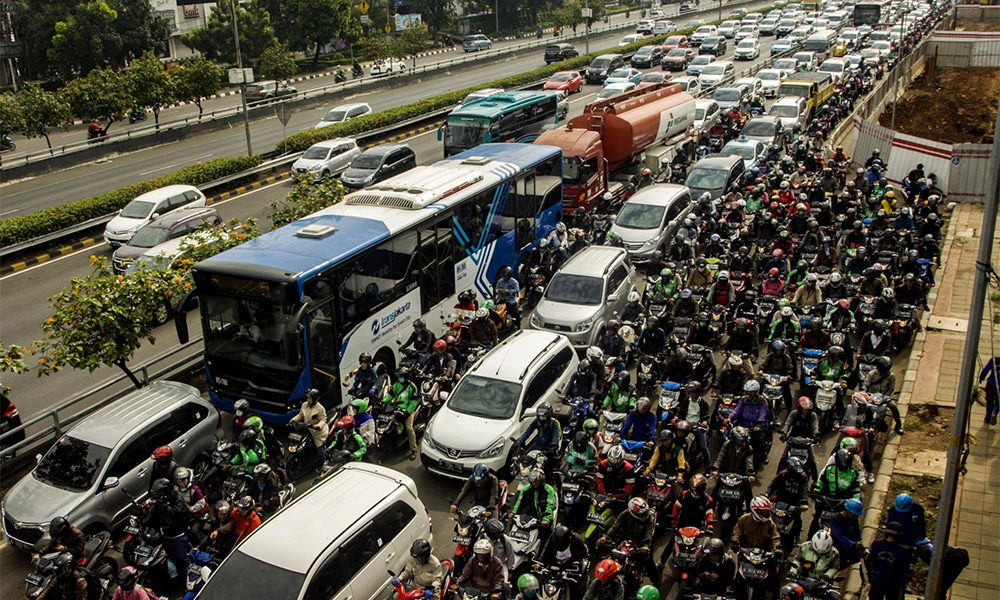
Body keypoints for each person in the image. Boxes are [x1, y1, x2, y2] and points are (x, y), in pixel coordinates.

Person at [731, 497, 782, 598]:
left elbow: (775, 538)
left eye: (767, 511)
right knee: (739, 574)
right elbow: (736, 533)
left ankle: (776, 593)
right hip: (746, 553)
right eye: (764, 511)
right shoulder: (743, 520)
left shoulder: (769, 523)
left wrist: (777, 549)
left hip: (764, 555)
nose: (766, 513)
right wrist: (735, 542)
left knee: (773, 575)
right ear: (755, 510)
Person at [598, 497, 658, 583]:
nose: (643, 515)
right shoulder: (625, 514)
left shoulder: (649, 518)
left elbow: (649, 533)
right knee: (611, 556)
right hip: (626, 538)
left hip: (641, 541)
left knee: (649, 563)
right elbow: (615, 526)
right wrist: (606, 536)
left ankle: (656, 584)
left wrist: (645, 546)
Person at [145, 478, 191, 579]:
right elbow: (152, 515)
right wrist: (143, 523)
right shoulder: (161, 502)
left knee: (182, 558)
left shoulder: (177, 499)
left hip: (178, 535)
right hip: (166, 535)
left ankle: (190, 577)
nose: (159, 494)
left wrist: (164, 506)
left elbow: (175, 514)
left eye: (160, 491)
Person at [512, 469, 556, 548]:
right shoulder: (525, 489)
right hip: (528, 519)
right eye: (533, 481)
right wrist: (513, 513)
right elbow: (519, 503)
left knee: (547, 540)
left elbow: (549, 506)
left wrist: (546, 519)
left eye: (537, 481)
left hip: (541, 520)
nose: (535, 483)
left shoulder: (549, 490)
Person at [867, 522, 912, 600]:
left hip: (877, 580)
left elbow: (871, 561)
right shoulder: (902, 550)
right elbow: (905, 569)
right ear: (900, 534)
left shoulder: (877, 544)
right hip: (894, 583)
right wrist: (912, 579)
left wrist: (871, 574)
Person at [289, 388, 329, 473]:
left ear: (315, 399)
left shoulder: (320, 408)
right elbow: (300, 415)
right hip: (306, 427)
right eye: (307, 398)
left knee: (319, 448)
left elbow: (323, 419)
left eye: (310, 398)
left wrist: (318, 425)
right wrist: (293, 420)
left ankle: (323, 463)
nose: (308, 400)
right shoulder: (304, 405)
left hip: (317, 431)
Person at [385, 365, 421, 459]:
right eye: (399, 376)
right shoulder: (396, 385)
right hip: (396, 409)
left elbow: (413, 402)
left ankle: (413, 449)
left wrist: (408, 412)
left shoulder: (412, 387)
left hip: (408, 411)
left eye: (402, 376)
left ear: (406, 377)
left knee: (409, 428)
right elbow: (390, 396)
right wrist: (382, 402)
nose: (400, 378)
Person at [863, 356, 903, 435]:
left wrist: (883, 397)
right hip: (871, 396)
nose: (886, 370)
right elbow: (865, 385)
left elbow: (891, 388)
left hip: (884, 397)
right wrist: (866, 394)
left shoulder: (891, 376)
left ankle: (898, 424)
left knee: (893, 406)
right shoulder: (872, 374)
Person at [673, 386, 712, 467]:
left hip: (697, 426)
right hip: (685, 424)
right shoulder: (686, 400)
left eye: (694, 393)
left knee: (703, 446)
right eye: (691, 393)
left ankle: (708, 466)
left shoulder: (703, 403)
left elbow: (706, 415)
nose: (692, 395)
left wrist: (704, 422)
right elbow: (680, 411)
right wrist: (676, 417)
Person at [174, 467, 210, 545]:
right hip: (184, 516)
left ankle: (200, 545)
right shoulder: (176, 490)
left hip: (197, 517)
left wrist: (190, 509)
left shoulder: (194, 490)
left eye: (184, 480)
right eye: (179, 481)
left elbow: (201, 503)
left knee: (193, 531)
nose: (182, 483)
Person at [829, 498, 865, 567]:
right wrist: (853, 544)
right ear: (848, 512)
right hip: (836, 548)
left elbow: (856, 533)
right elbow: (839, 536)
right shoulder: (835, 519)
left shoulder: (853, 520)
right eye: (855, 515)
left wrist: (862, 548)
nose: (856, 516)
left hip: (848, 548)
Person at [978, 356, 1000, 425]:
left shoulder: (994, 360)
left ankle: (987, 418)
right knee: (998, 401)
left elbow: (985, 370)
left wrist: (981, 378)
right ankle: (995, 413)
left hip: (991, 385)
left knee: (989, 401)